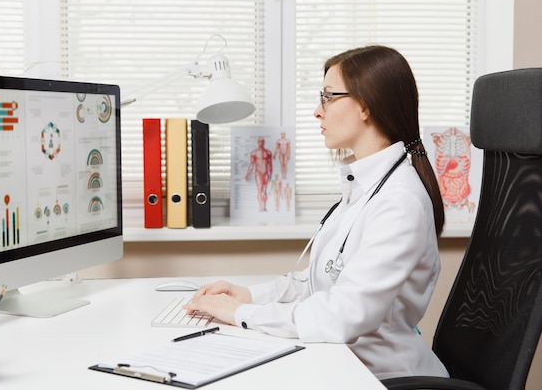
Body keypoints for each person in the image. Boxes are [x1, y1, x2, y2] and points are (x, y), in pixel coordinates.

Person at [185, 45, 448, 380]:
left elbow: (342, 316)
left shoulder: (399, 202)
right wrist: (248, 295)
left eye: (327, 97)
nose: (317, 111)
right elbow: (318, 283)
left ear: (365, 106)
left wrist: (240, 313)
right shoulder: (364, 187)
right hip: (340, 362)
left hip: (380, 378)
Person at [244, 137, 273, 211]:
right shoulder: (254, 153)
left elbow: (270, 164)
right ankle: (260, 206)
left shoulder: (268, 152)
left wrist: (270, 174)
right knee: (260, 189)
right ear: (258, 142)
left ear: (264, 142)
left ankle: (264, 206)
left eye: (262, 141)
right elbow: (251, 164)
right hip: (258, 173)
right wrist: (247, 174)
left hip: (265, 173)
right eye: (260, 141)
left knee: (265, 190)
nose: (261, 143)